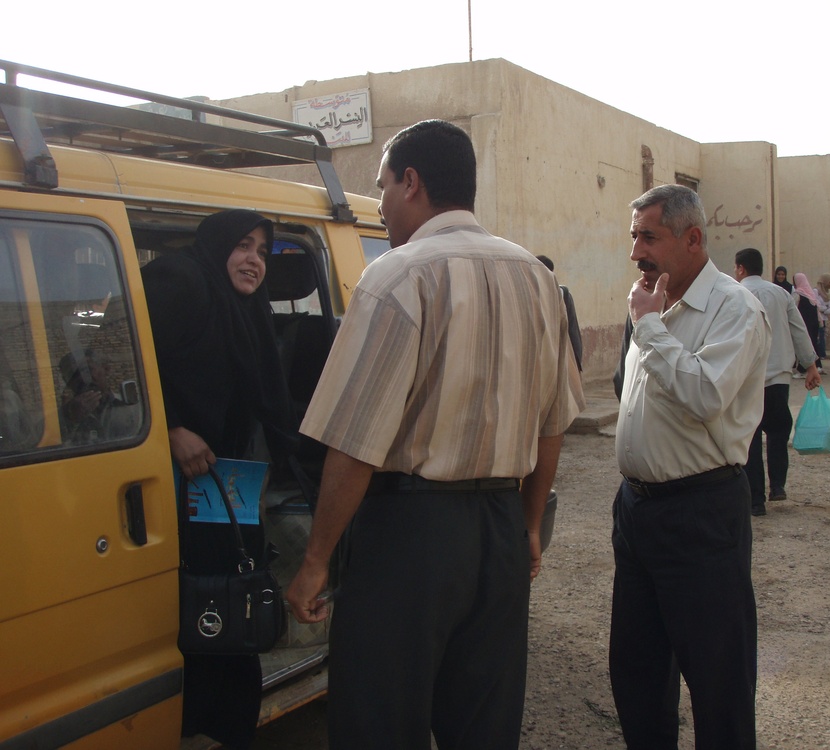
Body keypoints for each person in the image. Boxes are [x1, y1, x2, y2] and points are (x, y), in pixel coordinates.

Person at [285, 119, 585, 749]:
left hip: (409, 539)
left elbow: (356, 440)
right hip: (499, 529)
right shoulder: (536, 278)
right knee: (483, 724)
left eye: (384, 186)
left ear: (412, 183)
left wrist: (315, 561)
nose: (383, 203)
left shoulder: (398, 275)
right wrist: (527, 527)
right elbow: (554, 422)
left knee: (380, 721)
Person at [611, 184, 769, 749]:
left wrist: (648, 329)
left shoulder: (734, 309)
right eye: (633, 237)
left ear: (693, 238)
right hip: (636, 513)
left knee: (716, 680)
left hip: (701, 515)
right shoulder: (652, 303)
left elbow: (705, 396)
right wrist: (648, 323)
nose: (636, 252)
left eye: (648, 237)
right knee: (637, 673)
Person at [141, 209, 298, 749]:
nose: (253, 259)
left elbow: (265, 400)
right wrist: (173, 428)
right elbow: (130, 363)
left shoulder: (249, 310)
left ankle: (225, 728)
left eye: (262, 250)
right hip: (167, 485)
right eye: (243, 245)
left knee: (234, 605)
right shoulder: (180, 282)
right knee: (195, 610)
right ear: (216, 246)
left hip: (227, 489)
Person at [734, 249, 821, 516]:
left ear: (740, 269)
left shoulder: (733, 294)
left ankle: (755, 500)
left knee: (749, 438)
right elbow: (799, 329)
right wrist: (811, 365)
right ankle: (778, 487)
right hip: (778, 377)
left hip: (747, 379)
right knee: (778, 432)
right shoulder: (781, 294)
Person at [58, 348, 139, 443]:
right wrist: (69, 417)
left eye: (88, 370)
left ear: (106, 369)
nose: (82, 378)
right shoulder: (59, 420)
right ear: (66, 381)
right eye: (74, 375)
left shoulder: (132, 408)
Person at [537, 254, 584, 371]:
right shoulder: (530, 295)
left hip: (559, 356)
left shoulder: (562, 295)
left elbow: (572, 331)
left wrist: (576, 362)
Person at [792, 271, 822, 376]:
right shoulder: (811, 294)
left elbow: (793, 309)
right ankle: (816, 366)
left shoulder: (798, 294)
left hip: (803, 324)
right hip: (813, 324)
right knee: (812, 344)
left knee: (802, 345)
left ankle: (802, 370)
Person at [814, 273, 830, 367]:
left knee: (821, 340)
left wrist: (824, 309)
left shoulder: (827, 294)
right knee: (817, 341)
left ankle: (819, 362)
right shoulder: (815, 292)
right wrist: (825, 308)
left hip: (823, 320)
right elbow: (817, 305)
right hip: (817, 320)